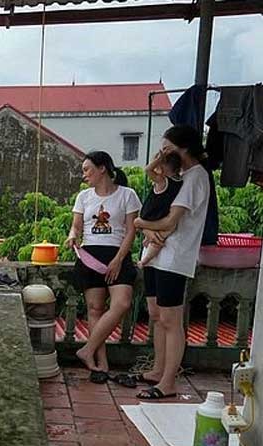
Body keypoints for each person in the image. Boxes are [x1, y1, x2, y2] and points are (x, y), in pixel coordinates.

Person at [133, 125, 211, 400]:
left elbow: (171, 221)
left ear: (184, 148)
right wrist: (148, 229)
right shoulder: (178, 177)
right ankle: (157, 369)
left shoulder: (196, 177)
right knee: (155, 315)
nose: (164, 153)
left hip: (175, 257)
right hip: (158, 254)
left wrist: (142, 223)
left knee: (170, 319)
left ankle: (168, 382)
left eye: (168, 148)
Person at [64, 150, 142, 383]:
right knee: (95, 309)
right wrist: (72, 236)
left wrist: (118, 259)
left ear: (102, 169)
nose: (84, 174)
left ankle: (87, 349)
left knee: (122, 303)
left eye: (87, 169)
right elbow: (76, 226)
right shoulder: (84, 197)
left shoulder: (127, 195)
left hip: (117, 254)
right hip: (90, 255)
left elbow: (131, 231)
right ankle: (101, 364)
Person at [138, 149, 184, 267]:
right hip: (159, 215)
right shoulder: (180, 182)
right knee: (161, 236)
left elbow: (147, 169)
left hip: (151, 215)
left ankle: (145, 260)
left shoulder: (162, 181)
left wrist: (157, 160)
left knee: (157, 240)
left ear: (161, 167)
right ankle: (147, 247)